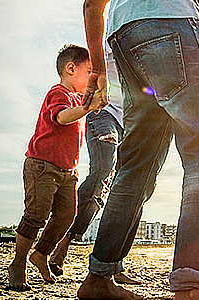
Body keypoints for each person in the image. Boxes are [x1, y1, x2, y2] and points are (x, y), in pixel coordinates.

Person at [77, 0, 199, 299]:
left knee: (137, 165)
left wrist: (98, 68)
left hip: (124, 36)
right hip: (172, 23)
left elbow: (92, 4)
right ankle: (191, 286)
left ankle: (99, 278)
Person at [7, 44, 106, 292]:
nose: (93, 78)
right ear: (71, 69)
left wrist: (92, 104)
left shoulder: (78, 99)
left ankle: (41, 254)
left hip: (67, 172)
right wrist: (87, 108)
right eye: (90, 71)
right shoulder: (58, 93)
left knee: (66, 215)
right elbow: (61, 118)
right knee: (36, 214)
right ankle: (18, 263)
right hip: (42, 166)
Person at [47, 43, 139, 285]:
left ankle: (114, 262)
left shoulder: (147, 51)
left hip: (130, 122)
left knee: (129, 185)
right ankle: (64, 239)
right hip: (103, 116)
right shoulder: (106, 51)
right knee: (102, 169)